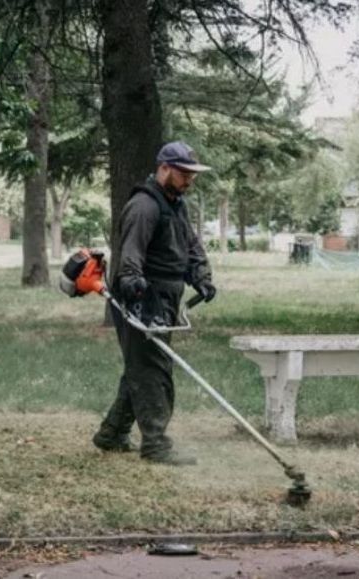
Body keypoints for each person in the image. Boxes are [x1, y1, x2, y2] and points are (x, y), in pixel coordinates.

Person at [92, 141, 216, 466]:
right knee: (153, 370)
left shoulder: (175, 204)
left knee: (142, 366)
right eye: (184, 173)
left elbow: (189, 244)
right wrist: (134, 286)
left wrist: (201, 276)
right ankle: (156, 444)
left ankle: (112, 433)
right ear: (164, 168)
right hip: (143, 297)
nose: (189, 180)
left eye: (192, 174)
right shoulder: (144, 206)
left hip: (167, 295)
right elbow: (130, 252)